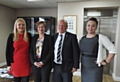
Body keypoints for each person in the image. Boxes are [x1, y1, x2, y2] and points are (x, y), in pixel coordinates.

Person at [79, 17, 117, 82]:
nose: (90, 28)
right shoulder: (82, 38)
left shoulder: (101, 38)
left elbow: (113, 49)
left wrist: (106, 61)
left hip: (95, 67)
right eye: (89, 25)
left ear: (96, 27)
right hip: (84, 67)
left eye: (93, 26)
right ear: (86, 26)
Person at [6, 18, 31, 82]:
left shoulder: (29, 35)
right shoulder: (11, 36)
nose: (21, 26)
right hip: (15, 63)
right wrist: (8, 64)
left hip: (26, 63)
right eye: (19, 25)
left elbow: (31, 50)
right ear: (16, 26)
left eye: (23, 25)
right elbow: (8, 51)